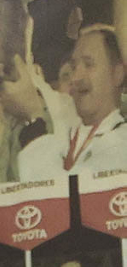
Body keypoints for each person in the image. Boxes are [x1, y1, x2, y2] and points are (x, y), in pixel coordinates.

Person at [16, 26, 127, 182]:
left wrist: (33, 120)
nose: (75, 78)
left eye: (88, 64)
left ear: (117, 74)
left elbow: (63, 193)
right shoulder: (64, 132)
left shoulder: (122, 142)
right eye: (74, 67)